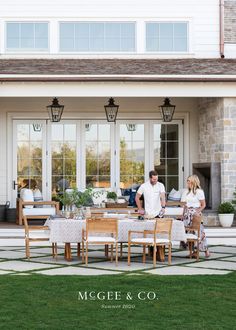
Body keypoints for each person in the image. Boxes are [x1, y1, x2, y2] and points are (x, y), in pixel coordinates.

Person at [181, 174, 210, 258]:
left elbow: (203, 205)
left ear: (193, 182)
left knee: (199, 232)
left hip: (196, 214)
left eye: (189, 181)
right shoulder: (185, 192)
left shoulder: (199, 192)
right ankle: (193, 252)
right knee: (189, 233)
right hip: (187, 214)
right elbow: (184, 205)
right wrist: (182, 215)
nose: (187, 182)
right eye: (187, 181)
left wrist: (197, 212)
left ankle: (206, 250)